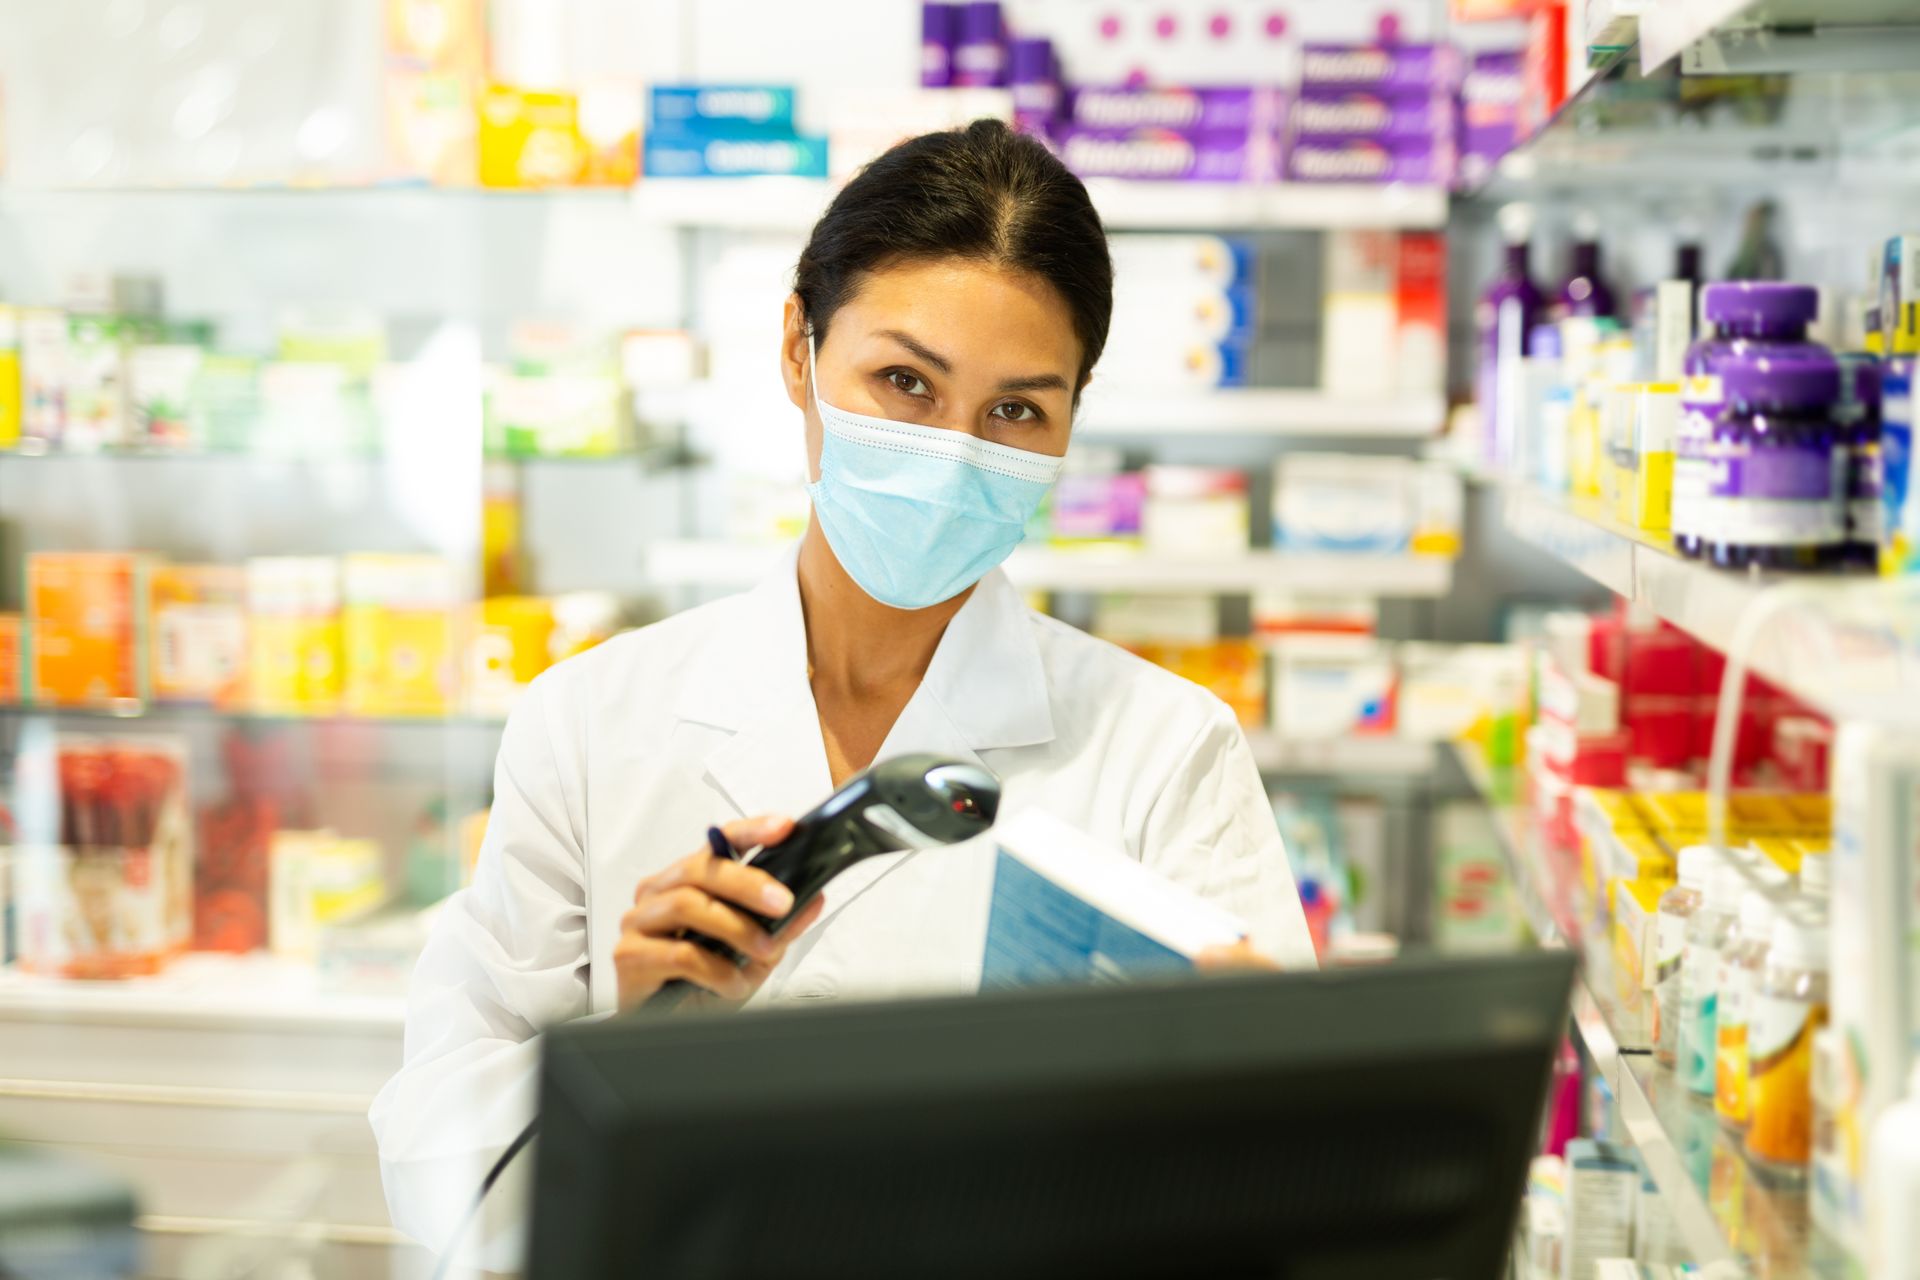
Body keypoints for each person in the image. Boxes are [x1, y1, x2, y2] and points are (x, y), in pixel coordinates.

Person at [370, 118, 1316, 1263]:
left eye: (1016, 409)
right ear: (798, 350)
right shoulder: (588, 721)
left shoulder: (1167, 749)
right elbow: (446, 1162)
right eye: (905, 381)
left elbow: (1287, 1184)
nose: (955, 454)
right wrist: (634, 1051)